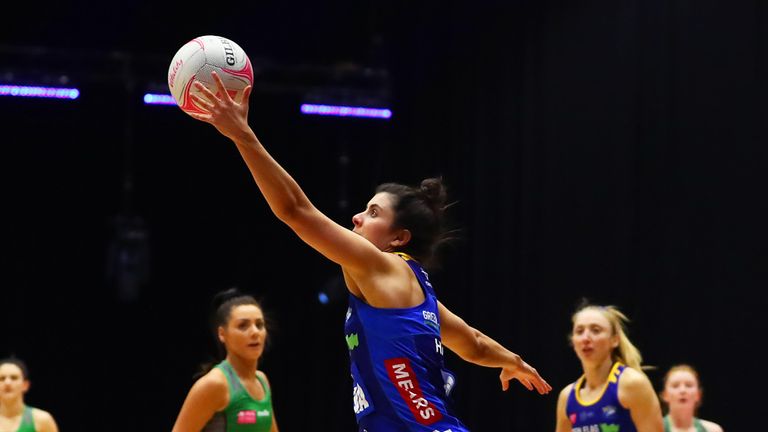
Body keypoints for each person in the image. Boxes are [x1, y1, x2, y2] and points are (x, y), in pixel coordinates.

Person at [186, 72, 552, 431]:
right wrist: (512, 360)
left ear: (398, 238)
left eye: (374, 213)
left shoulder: (377, 264)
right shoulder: (418, 290)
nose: (357, 217)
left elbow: (295, 211)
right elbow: (472, 343)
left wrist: (242, 135)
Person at [172, 288, 279, 432]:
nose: (255, 332)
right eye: (243, 326)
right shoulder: (215, 384)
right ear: (222, 334)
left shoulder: (262, 381)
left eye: (259, 325)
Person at [555, 302, 663, 432]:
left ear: (615, 340)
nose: (586, 338)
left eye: (595, 330)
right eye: (579, 331)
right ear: (573, 341)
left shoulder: (632, 384)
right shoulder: (566, 397)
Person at [0, 357, 59, 432]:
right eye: (1, 378)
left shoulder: (42, 420)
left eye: (14, 378)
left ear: (25, 385)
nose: (7, 383)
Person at [660, 364, 723, 432]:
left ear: (698, 395)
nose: (682, 390)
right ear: (665, 395)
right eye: (675, 386)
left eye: (689, 385)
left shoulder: (712, 430)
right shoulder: (654, 428)